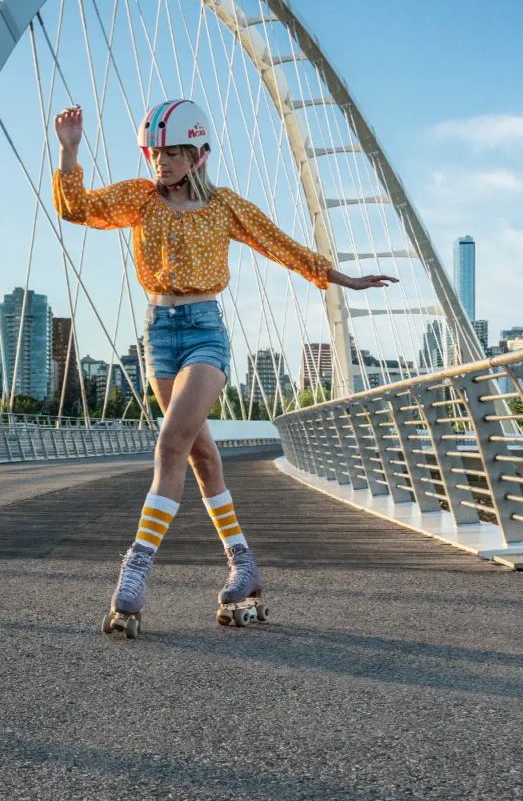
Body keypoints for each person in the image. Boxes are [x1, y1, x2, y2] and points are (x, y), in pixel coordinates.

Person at [52, 99, 396, 637]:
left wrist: (343, 279)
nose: (161, 162)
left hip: (205, 333)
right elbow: (78, 209)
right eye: (155, 153)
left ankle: (135, 571)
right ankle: (244, 566)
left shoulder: (224, 208)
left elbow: (279, 244)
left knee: (169, 444)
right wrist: (70, 151)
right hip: (158, 335)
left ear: (197, 154)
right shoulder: (140, 200)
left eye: (172, 153)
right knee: (202, 455)